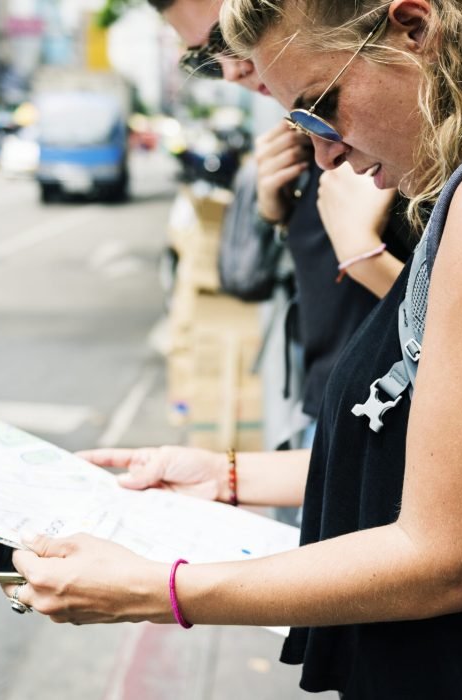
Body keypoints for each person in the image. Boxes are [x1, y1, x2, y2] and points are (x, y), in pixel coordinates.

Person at [2, 1, 462, 696]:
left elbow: (442, 557)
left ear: (415, 30)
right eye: (299, 123)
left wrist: (157, 591)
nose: (324, 152)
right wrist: (222, 476)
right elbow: (445, 461)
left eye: (321, 107)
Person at [156, 0, 412, 451]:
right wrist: (275, 216)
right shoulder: (303, 138)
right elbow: (253, 278)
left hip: (393, 424)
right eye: (203, 58)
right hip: (330, 411)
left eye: (226, 38)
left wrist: (362, 255)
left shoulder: (401, 131)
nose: (230, 70)